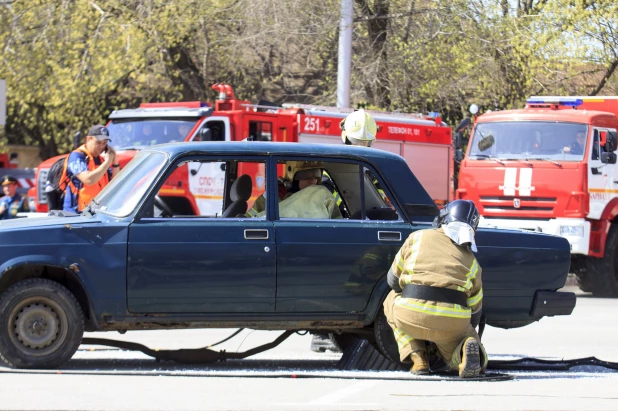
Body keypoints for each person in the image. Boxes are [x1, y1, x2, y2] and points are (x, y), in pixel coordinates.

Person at [382, 200, 487, 378]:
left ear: (442, 219)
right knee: (459, 350)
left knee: (390, 300)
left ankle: (418, 357)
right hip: (452, 321)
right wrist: (465, 332)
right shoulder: (472, 262)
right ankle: (462, 353)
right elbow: (475, 309)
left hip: (410, 314)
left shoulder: (417, 237)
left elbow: (392, 280)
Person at [63, 125, 118, 213]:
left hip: (96, 214)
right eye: (98, 142)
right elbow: (88, 180)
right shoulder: (77, 156)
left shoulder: (101, 161)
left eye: (104, 143)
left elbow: (115, 184)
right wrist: (107, 162)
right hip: (75, 215)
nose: (101, 146)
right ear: (89, 139)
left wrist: (115, 161)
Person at [245, 161, 324, 217]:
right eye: (306, 175)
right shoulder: (273, 196)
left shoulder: (322, 197)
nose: (313, 180)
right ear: (293, 178)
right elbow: (249, 220)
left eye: (316, 174)